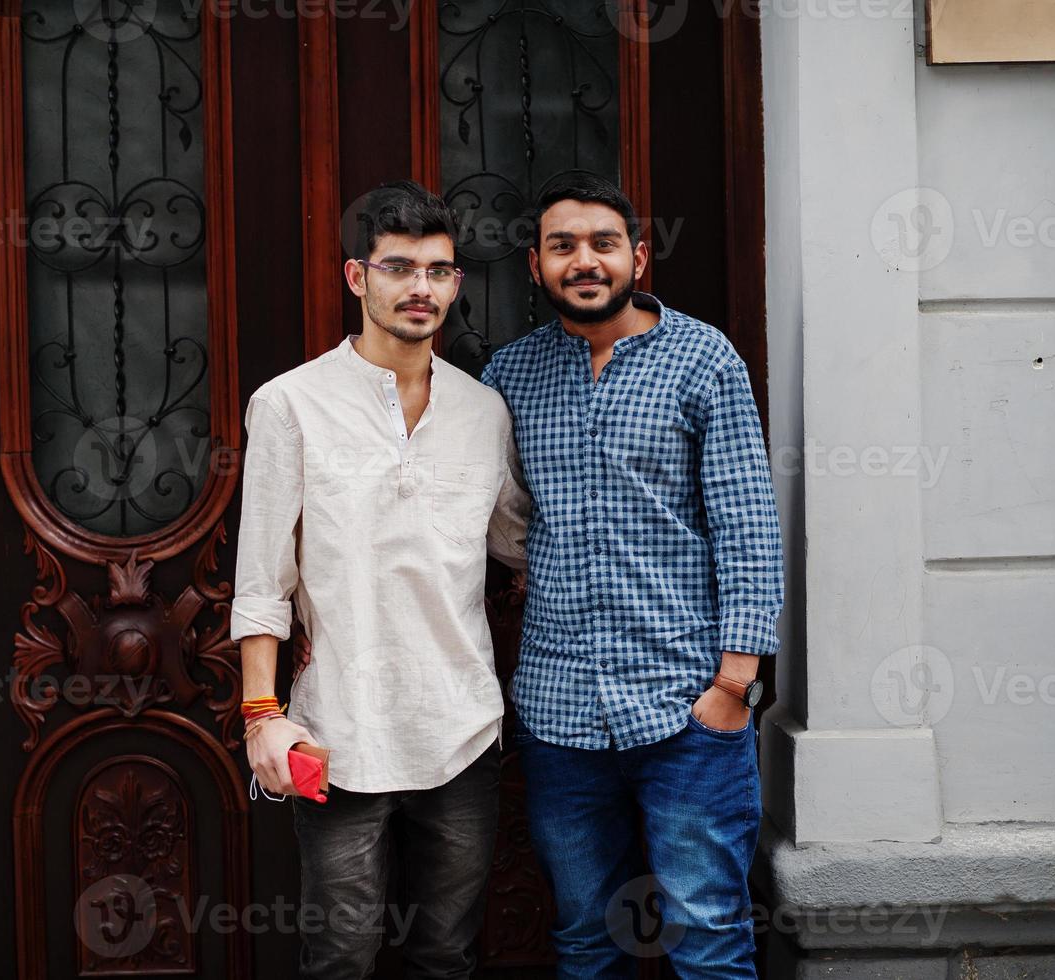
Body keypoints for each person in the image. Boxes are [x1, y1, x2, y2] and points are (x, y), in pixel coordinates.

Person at [480, 172, 783, 979]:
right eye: (562, 246)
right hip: (558, 714)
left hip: (687, 710)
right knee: (584, 940)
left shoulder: (700, 357)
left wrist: (733, 686)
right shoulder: (507, 377)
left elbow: (746, 524)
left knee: (709, 939)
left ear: (637, 256)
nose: (584, 261)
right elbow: (489, 521)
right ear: (536, 267)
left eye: (602, 244)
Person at [229, 179, 530, 980]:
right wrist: (262, 715)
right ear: (357, 278)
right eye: (399, 268)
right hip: (337, 731)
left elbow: (519, 547)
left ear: (455, 284)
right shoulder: (289, 404)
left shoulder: (482, 412)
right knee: (341, 958)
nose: (420, 288)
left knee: (445, 956)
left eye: (437, 271)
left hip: (460, 730)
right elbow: (262, 576)